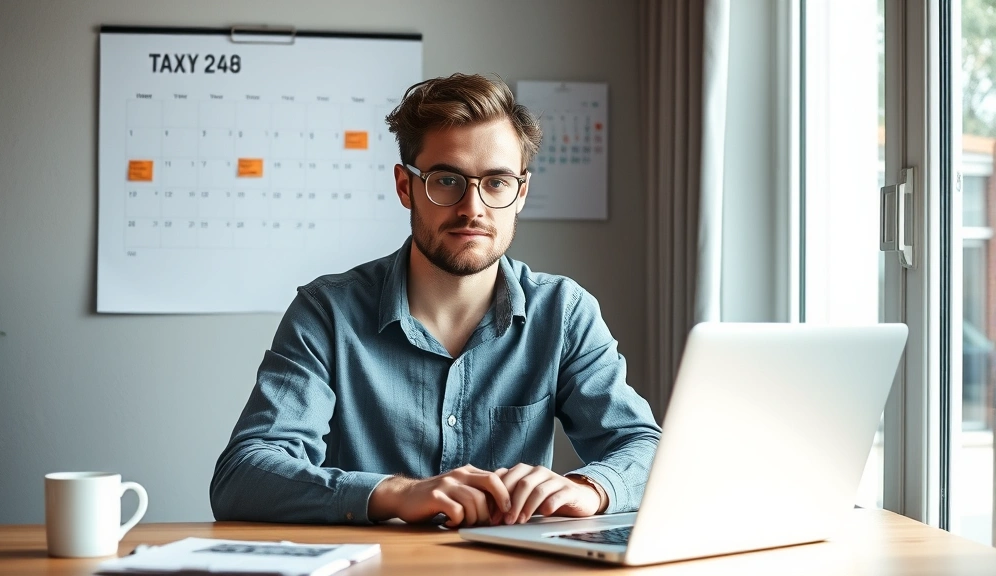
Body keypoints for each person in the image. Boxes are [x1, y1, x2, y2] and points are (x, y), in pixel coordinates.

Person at [210, 73, 661, 528]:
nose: (472, 208)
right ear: (405, 186)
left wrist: (591, 488)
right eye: (447, 180)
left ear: (521, 193)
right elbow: (243, 474)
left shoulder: (563, 312)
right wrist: (396, 494)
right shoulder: (328, 313)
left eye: (497, 182)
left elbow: (646, 448)